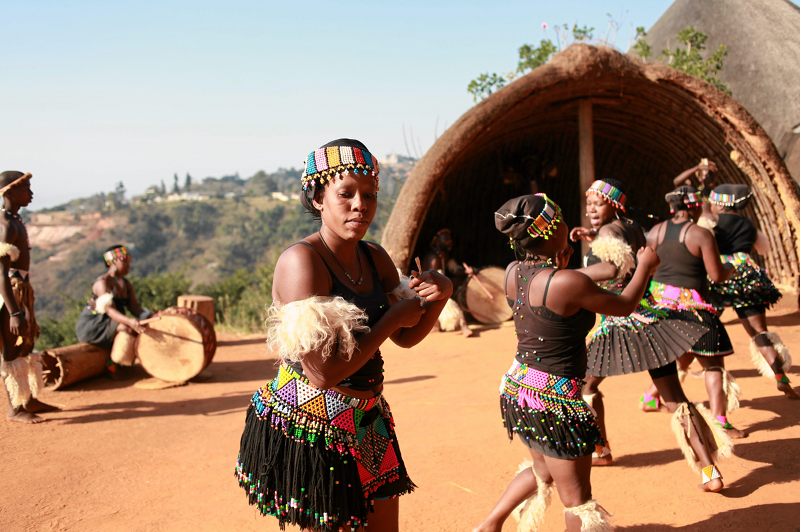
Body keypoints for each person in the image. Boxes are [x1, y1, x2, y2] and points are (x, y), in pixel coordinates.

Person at [234, 139, 452, 532]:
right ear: (318, 198)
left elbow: (407, 336)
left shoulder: (374, 257)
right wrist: (390, 319)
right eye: (345, 194)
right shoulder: (301, 262)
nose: (360, 205)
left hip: (368, 419)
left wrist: (440, 296)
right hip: (313, 425)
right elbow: (322, 373)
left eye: (369, 194)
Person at [474, 193, 660, 532]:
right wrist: (645, 267)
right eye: (559, 222)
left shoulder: (514, 272)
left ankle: (490, 524)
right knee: (577, 498)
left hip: (519, 389)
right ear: (550, 232)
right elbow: (624, 305)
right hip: (553, 402)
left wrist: (571, 263)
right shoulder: (567, 282)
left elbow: (576, 278)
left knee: (542, 469)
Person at [569, 179, 712, 470]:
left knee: (586, 386)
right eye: (589, 205)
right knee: (674, 398)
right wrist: (591, 235)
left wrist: (566, 275)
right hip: (651, 317)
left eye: (598, 204)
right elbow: (621, 249)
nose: (591, 210)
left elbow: (612, 267)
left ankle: (601, 451)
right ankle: (710, 470)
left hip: (619, 320)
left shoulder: (608, 230)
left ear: (614, 204)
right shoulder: (632, 226)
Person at [645, 187, 747, 443]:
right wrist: (732, 269)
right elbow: (716, 275)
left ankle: (648, 396)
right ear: (693, 207)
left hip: (660, 307)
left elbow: (648, 268)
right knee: (713, 365)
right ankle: (720, 423)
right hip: (692, 306)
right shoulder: (700, 233)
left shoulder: (655, 232)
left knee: (680, 358)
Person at [705, 184, 798, 399]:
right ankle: (780, 377)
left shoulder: (712, 223)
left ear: (721, 203)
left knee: (702, 327)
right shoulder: (748, 224)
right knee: (759, 332)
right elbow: (763, 247)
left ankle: (658, 389)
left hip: (719, 274)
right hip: (747, 275)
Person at [0, 171, 58, 423]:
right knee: (11, 350)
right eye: (26, 189)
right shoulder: (5, 227)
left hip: (22, 289)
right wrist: (13, 312)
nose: (31, 194)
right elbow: (1, 274)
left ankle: (29, 399)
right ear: (10, 193)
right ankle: (15, 408)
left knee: (26, 344)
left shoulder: (15, 220)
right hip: (10, 293)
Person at [75, 245, 152, 379]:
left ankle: (123, 364)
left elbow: (134, 308)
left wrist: (149, 315)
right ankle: (113, 366)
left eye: (129, 261)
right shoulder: (102, 283)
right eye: (125, 261)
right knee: (126, 328)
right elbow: (109, 310)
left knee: (134, 328)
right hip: (93, 326)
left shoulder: (126, 284)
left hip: (111, 323)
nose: (129, 265)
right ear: (114, 262)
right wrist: (130, 321)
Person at [421, 228, 473, 337]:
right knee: (449, 304)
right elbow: (430, 281)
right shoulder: (433, 258)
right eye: (446, 239)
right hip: (428, 291)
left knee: (458, 282)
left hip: (440, 288)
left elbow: (454, 270)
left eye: (450, 239)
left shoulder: (444, 256)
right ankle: (464, 326)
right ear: (437, 242)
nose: (450, 241)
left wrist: (465, 271)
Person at [673, 159, 718, 226]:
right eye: (707, 175)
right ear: (700, 177)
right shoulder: (697, 194)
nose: (710, 177)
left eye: (712, 174)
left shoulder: (719, 195)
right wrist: (697, 168)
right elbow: (676, 182)